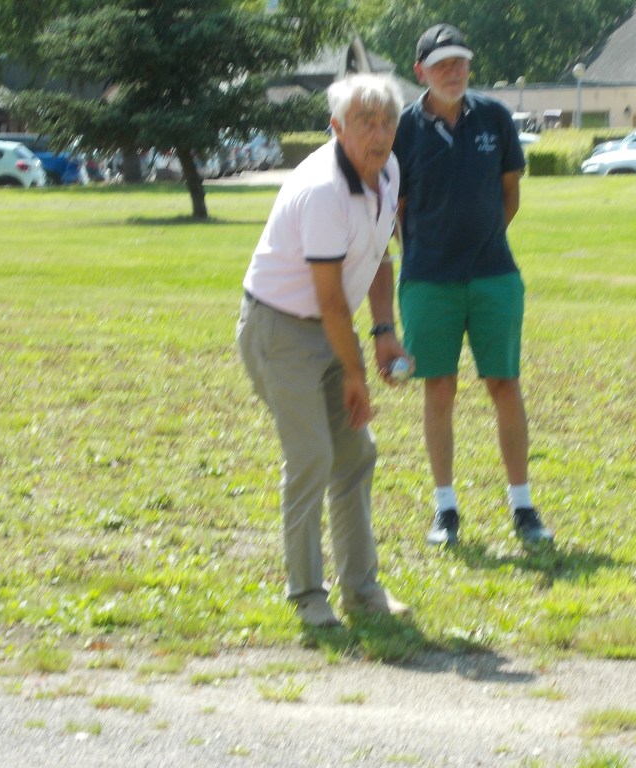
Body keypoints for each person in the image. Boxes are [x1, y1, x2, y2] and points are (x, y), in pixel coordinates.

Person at [237, 74, 412, 627]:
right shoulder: (322, 191)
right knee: (312, 454)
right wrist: (355, 373)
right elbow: (331, 300)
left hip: (329, 327)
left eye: (387, 122)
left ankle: (363, 589)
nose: (379, 134)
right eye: (365, 123)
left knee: (355, 452)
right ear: (337, 127)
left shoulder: (388, 169)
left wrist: (384, 329)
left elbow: (380, 254)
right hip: (279, 330)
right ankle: (308, 595)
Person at [393, 23, 553, 548]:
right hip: (427, 282)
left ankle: (523, 505)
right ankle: (446, 509)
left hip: (494, 277)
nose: (453, 72)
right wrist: (427, 251)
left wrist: (481, 242)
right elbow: (395, 210)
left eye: (460, 62)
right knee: (439, 388)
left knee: (504, 384)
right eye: (441, 64)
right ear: (420, 71)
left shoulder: (495, 118)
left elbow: (510, 194)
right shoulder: (403, 130)